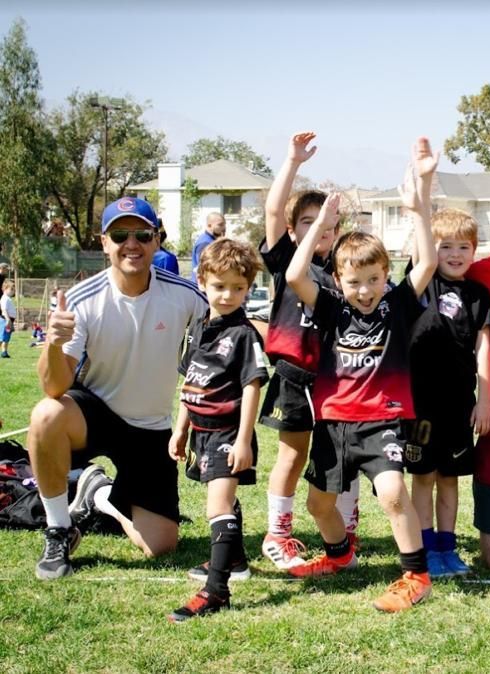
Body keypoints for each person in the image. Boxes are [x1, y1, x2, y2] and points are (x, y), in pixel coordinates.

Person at [285, 138, 438, 613]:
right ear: (338, 281)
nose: (365, 289)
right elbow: (294, 275)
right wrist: (322, 227)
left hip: (383, 422)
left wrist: (419, 202)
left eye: (373, 278)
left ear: (385, 275)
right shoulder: (330, 307)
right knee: (318, 507)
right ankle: (340, 556)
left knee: (392, 493)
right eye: (354, 281)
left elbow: (428, 261)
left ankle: (415, 575)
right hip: (333, 423)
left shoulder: (395, 306)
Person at [26, 196, 207, 580]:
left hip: (151, 429)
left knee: (161, 546)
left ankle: (98, 494)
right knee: (46, 415)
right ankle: (59, 528)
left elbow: (231, 324)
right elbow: (53, 387)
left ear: (156, 240)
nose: (132, 244)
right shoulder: (81, 300)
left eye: (142, 234)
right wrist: (54, 344)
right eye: (119, 234)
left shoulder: (185, 296)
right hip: (95, 415)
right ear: (104, 242)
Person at [257, 131, 359, 571]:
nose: (320, 230)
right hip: (294, 377)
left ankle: (347, 530)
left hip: (337, 382)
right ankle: (278, 532)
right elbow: (272, 209)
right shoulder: (286, 262)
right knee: (293, 454)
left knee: (343, 459)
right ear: (294, 228)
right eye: (309, 221)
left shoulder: (345, 271)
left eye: (330, 224)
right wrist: (292, 161)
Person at [167, 238, 268, 621]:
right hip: (200, 432)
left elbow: (252, 385)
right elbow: (188, 384)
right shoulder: (197, 328)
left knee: (217, 506)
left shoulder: (244, 335)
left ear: (249, 287)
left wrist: (243, 440)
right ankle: (236, 561)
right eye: (220, 286)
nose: (228, 295)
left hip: (227, 433)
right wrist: (180, 430)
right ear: (202, 281)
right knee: (223, 500)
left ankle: (216, 591)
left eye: (238, 288)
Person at [406, 208, 490, 578]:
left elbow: (483, 348)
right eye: (445, 246)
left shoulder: (478, 294)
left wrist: (484, 399)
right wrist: (418, 204)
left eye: (463, 246)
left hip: (460, 404)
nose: (454, 254)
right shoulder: (422, 284)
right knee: (423, 477)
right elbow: (420, 251)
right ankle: (425, 547)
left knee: (450, 479)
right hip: (421, 404)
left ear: (475, 250)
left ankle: (447, 547)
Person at [191, 212, 226, 283]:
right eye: (220, 225)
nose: (224, 228)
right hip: (203, 286)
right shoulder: (205, 243)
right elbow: (204, 267)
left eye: (224, 224)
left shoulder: (213, 241)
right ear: (209, 225)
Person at [0, 279, 15, 358]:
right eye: (11, 289)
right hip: (5, 320)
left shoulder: (8, 298)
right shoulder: (5, 298)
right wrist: (8, 320)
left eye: (13, 290)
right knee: (2, 337)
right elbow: (4, 310)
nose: (13, 291)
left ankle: (4, 352)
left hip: (10, 320)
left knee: (6, 338)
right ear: (5, 289)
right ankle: (3, 352)